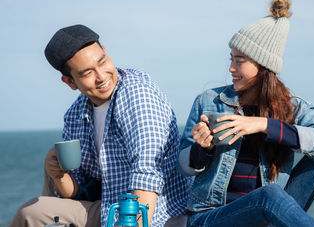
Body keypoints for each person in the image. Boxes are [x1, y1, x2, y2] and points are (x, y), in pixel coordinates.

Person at [177, 0, 314, 226]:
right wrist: (203, 149)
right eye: (231, 59)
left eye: (240, 60)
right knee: (269, 196)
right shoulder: (209, 101)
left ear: (263, 65)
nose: (231, 68)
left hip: (269, 214)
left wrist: (265, 125)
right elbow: (183, 167)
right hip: (213, 217)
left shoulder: (294, 107)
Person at [10, 24, 190, 227]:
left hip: (153, 216)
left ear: (105, 51)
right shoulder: (75, 113)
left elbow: (147, 175)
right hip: (107, 208)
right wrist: (58, 174)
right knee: (39, 197)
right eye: (87, 73)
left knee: (32, 212)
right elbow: (74, 191)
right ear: (70, 82)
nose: (102, 76)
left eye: (102, 62)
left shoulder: (138, 95)